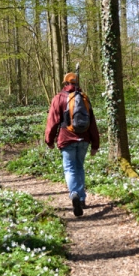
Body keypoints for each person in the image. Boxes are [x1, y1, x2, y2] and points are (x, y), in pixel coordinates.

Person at [45, 72, 100, 217]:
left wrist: (49, 140)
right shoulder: (84, 98)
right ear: (77, 83)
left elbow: (53, 121)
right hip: (84, 139)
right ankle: (81, 199)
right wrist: (95, 144)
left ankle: (74, 193)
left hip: (66, 138)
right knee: (79, 167)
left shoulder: (59, 98)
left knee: (69, 169)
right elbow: (92, 122)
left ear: (65, 83)